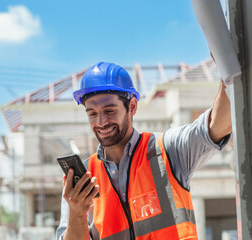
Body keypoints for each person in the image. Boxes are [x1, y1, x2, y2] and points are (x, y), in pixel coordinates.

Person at [56, 61, 232, 240]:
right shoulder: (83, 180)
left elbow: (216, 126)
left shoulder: (167, 151)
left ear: (132, 107)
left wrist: (228, 74)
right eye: (92, 113)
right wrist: (76, 213)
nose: (100, 122)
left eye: (109, 111)